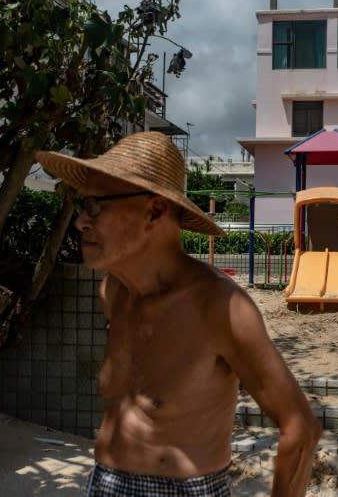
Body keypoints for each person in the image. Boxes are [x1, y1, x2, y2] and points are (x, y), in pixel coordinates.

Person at [36, 131, 321, 497]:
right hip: (104, 483)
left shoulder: (220, 307)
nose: (81, 222)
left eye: (95, 205)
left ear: (154, 211)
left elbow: (300, 429)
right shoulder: (114, 293)